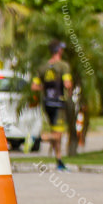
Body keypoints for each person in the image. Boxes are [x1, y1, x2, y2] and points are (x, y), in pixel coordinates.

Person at [32, 40, 73, 171]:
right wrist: (69, 88)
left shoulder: (43, 67)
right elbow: (67, 84)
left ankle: (59, 161)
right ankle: (37, 138)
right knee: (58, 134)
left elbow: (34, 86)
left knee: (55, 133)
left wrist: (45, 86)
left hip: (47, 103)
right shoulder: (63, 66)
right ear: (59, 50)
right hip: (58, 103)